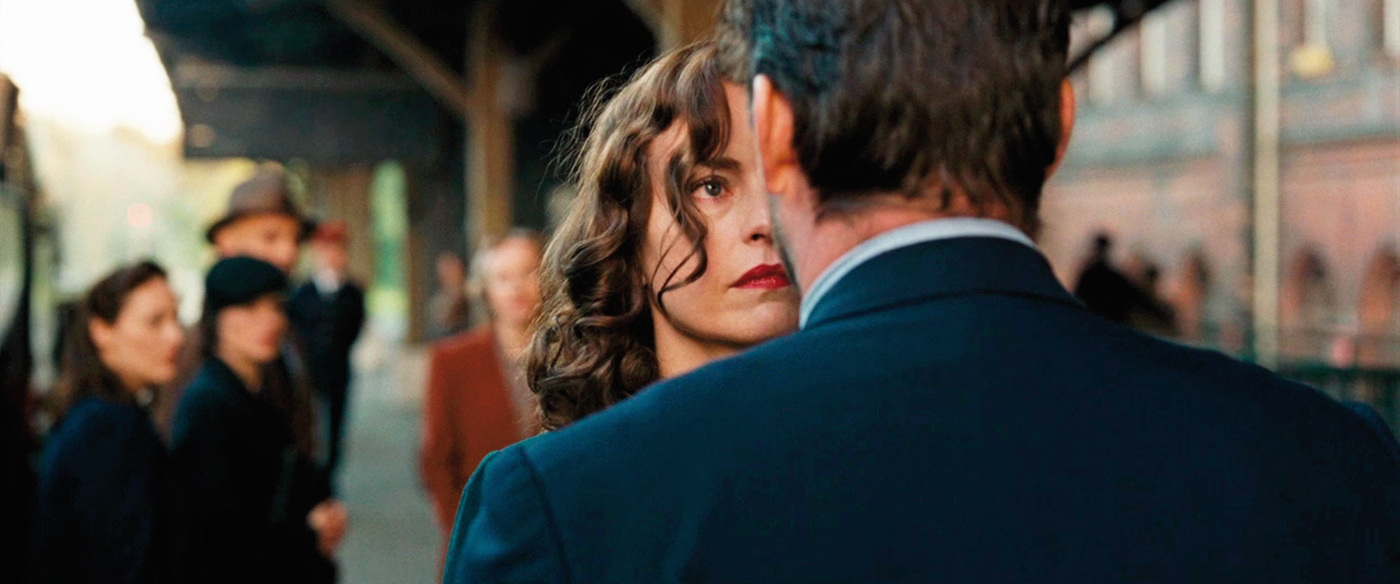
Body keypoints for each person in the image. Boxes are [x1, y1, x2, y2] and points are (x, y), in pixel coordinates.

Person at [444, 1, 1400, 582]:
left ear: (779, 130)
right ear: (1057, 125)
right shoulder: (1335, 460)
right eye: (706, 186)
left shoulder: (568, 507)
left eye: (752, 179)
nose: (754, 224)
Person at [526, 40, 798, 431]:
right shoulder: (552, 470)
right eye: (710, 186)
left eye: (788, 181)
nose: (766, 222)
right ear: (626, 236)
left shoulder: (886, 447)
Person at [171, 257, 345, 584]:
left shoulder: (265, 388)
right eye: (250, 308)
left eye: (276, 307)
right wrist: (308, 534)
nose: (269, 321)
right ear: (218, 316)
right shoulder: (208, 406)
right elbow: (219, 538)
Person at [29, 262, 184, 584]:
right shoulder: (109, 428)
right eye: (155, 321)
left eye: (175, 317)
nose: (175, 336)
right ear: (102, 331)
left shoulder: (99, 415)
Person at [420, 231, 546, 557]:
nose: (517, 287)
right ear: (485, 289)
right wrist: (463, 530)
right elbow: (436, 460)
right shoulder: (452, 361)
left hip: (556, 538)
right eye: (503, 278)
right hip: (481, 537)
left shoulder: (574, 357)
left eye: (528, 272)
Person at [289, 221, 366, 484]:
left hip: (338, 368)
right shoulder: (303, 292)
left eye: (337, 249)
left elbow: (355, 326)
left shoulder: (352, 291)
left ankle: (329, 478)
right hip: (309, 370)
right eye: (325, 249)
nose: (331, 255)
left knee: (335, 427)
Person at [426, 251, 471, 339]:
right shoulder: (438, 302)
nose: (449, 273)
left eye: (451, 268)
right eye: (446, 269)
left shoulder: (472, 293)